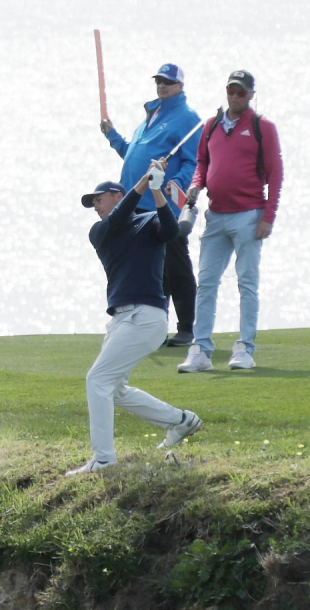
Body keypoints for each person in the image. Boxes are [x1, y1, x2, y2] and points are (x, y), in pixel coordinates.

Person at [66, 161, 203, 477]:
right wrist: (145, 182)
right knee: (114, 389)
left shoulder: (149, 221)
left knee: (97, 380)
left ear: (117, 195)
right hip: (119, 321)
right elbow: (117, 221)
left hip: (146, 317)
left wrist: (156, 190)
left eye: (99, 199)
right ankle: (180, 421)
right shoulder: (100, 231)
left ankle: (103, 459)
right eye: (94, 203)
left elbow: (170, 231)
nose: (96, 206)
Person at [178, 70, 283, 372]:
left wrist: (268, 217)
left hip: (249, 215)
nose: (235, 96)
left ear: (251, 95)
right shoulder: (211, 126)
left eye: (241, 92)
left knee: (247, 282)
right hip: (216, 215)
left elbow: (275, 175)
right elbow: (202, 162)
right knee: (206, 283)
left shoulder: (262, 127)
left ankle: (245, 348)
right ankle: (201, 350)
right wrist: (197, 183)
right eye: (231, 91)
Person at [101, 63, 201, 348]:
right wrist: (112, 137)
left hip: (162, 206)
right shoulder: (151, 115)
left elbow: (193, 161)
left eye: (168, 82)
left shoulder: (187, 118)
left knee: (176, 266)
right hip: (136, 205)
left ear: (180, 86)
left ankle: (186, 329)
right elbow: (134, 156)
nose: (162, 86)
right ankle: (154, 329)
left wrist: (176, 183)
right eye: (159, 81)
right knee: (151, 273)